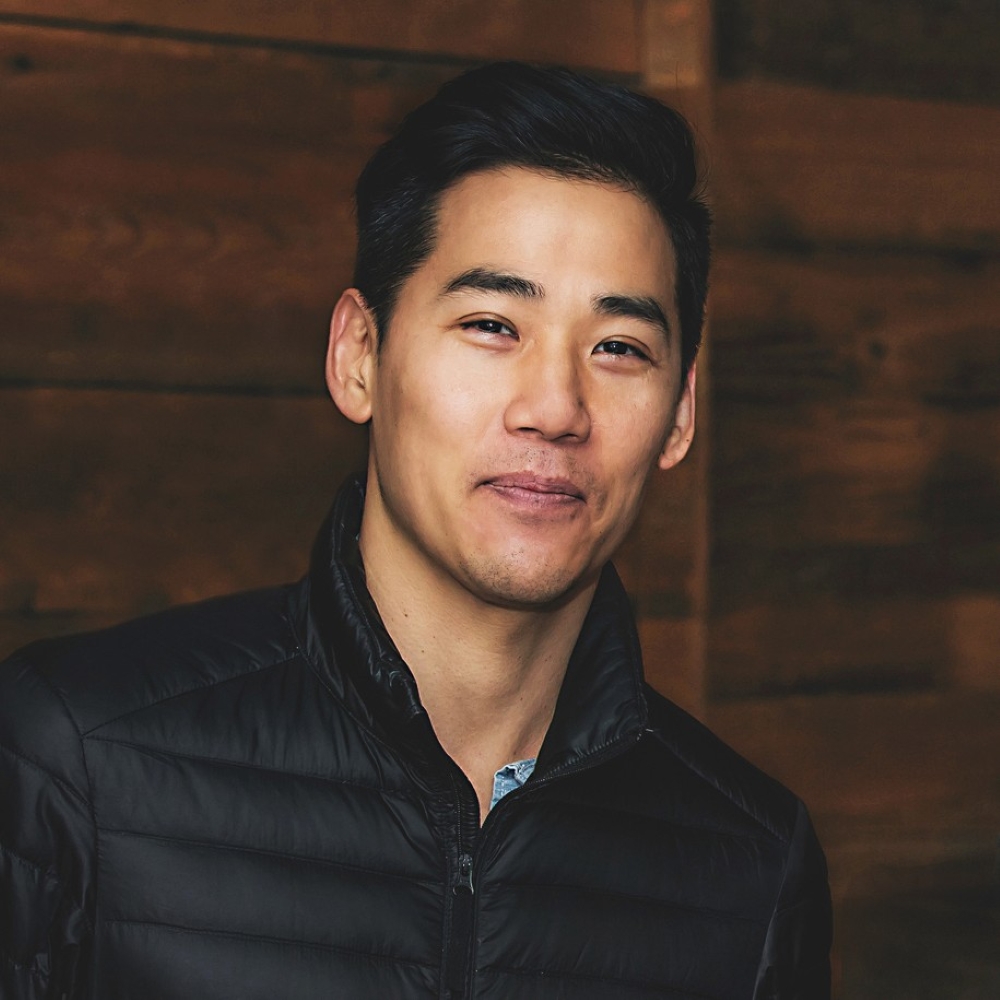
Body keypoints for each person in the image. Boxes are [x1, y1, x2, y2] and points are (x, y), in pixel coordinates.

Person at [0, 62, 831, 999]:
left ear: (680, 412)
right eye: (490, 324)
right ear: (360, 356)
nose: (555, 408)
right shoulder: (75, 754)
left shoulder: (752, 864)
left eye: (619, 348)